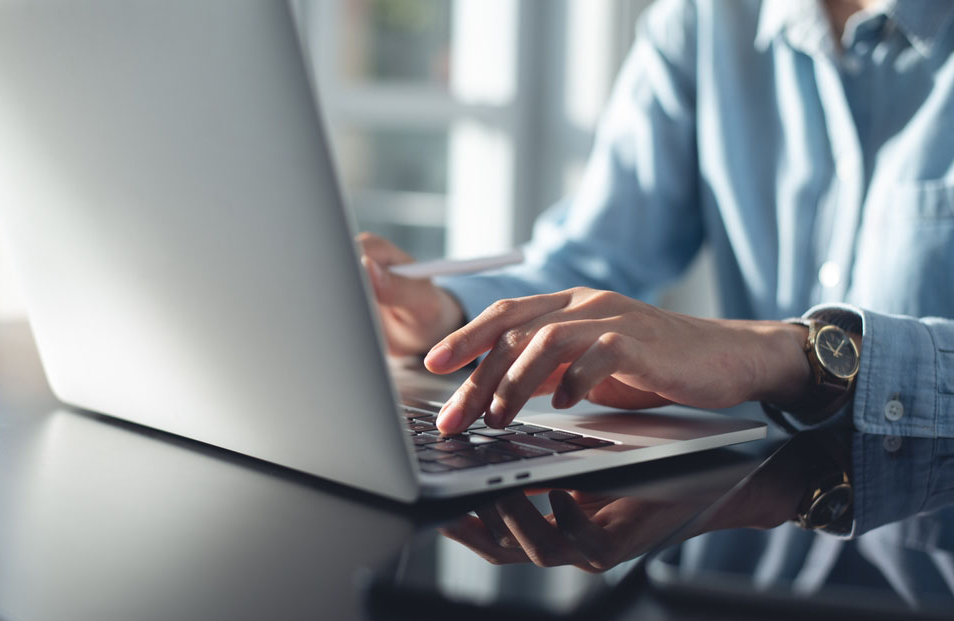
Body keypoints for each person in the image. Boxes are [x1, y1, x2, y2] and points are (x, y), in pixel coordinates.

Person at [358, 0, 954, 536]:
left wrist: (785, 356)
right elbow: (593, 263)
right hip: (743, 564)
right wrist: (447, 314)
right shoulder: (702, 21)